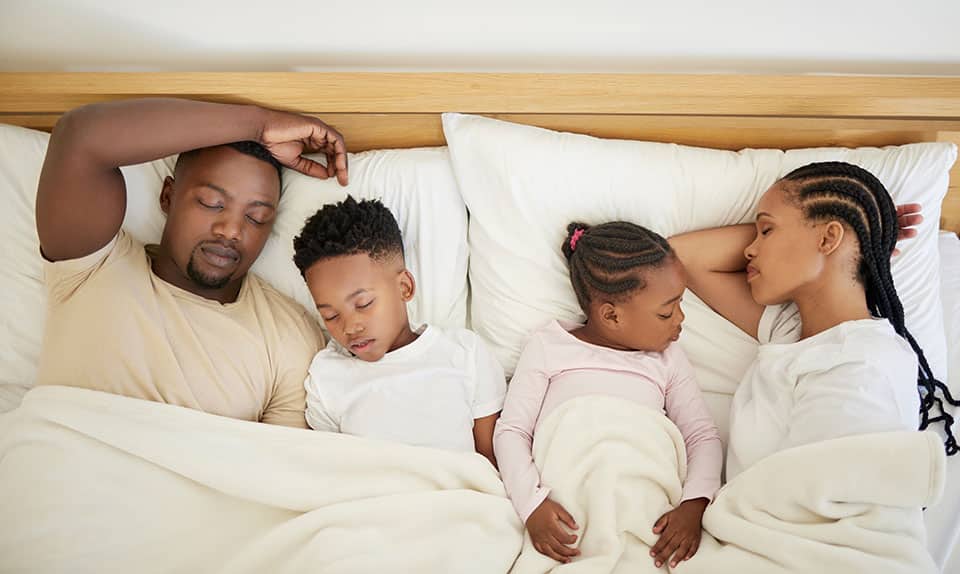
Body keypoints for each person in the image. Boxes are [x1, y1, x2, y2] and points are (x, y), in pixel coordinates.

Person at [35, 98, 348, 427]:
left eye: (256, 218)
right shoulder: (93, 263)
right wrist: (261, 127)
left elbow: (280, 470)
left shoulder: (289, 336)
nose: (231, 230)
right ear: (168, 196)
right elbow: (80, 136)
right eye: (212, 203)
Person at [668, 161, 959, 483]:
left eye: (766, 230)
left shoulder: (861, 367)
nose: (750, 249)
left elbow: (827, 502)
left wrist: (855, 237)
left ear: (828, 238)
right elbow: (681, 258)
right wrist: (862, 236)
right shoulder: (792, 331)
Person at [494, 221, 723, 568]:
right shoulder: (548, 346)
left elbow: (701, 435)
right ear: (611, 315)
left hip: (645, 506)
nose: (681, 318)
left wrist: (694, 504)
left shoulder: (668, 359)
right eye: (666, 311)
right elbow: (512, 431)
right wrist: (532, 506)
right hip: (571, 508)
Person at [294, 196, 505, 466]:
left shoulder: (464, 353)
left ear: (404, 287)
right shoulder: (326, 376)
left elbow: (490, 461)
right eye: (330, 316)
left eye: (363, 304)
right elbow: (329, 473)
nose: (350, 327)